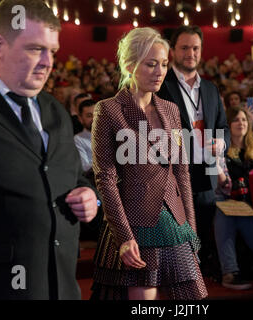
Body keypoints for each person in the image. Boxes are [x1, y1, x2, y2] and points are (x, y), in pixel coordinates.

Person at [0, 0, 98, 300]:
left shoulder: (54, 109)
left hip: (61, 288)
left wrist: (87, 194)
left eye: (52, 51)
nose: (48, 62)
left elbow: (66, 175)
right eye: (34, 48)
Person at [90, 27, 207, 300]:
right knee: (144, 300)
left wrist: (190, 225)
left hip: (175, 219)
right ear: (130, 65)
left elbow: (182, 172)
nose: (159, 71)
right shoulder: (108, 110)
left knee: (193, 298)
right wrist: (123, 235)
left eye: (164, 64)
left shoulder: (171, 109)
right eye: (151, 64)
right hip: (134, 221)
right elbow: (105, 178)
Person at [157, 25, 230, 277]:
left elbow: (223, 127)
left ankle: (202, 272)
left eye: (196, 48)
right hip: (175, 175)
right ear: (172, 51)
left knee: (204, 231)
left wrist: (222, 143)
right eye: (185, 47)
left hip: (207, 172)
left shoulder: (210, 89)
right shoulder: (160, 86)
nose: (191, 53)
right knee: (180, 234)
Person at [214, 106, 253, 290]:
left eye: (243, 119)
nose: (241, 123)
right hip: (226, 198)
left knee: (237, 215)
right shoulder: (221, 148)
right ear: (227, 124)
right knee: (227, 212)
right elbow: (229, 183)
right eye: (235, 120)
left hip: (249, 200)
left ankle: (230, 272)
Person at [74, 98, 96, 173]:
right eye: (89, 116)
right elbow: (85, 167)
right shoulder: (78, 139)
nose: (94, 119)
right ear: (80, 119)